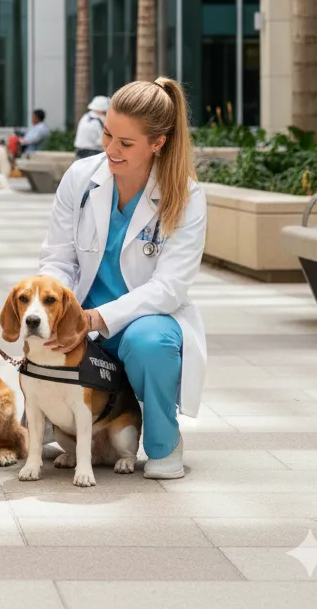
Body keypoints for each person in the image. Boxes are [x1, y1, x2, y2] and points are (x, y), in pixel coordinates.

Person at [38, 77, 207, 480]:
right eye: (107, 134)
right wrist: (53, 307)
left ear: (158, 143)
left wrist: (95, 319)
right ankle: (54, 424)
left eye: (126, 143)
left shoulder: (186, 197)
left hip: (138, 322)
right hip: (80, 323)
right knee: (40, 319)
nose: (111, 149)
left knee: (150, 341)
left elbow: (169, 289)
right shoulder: (80, 179)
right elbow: (57, 259)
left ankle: (165, 444)